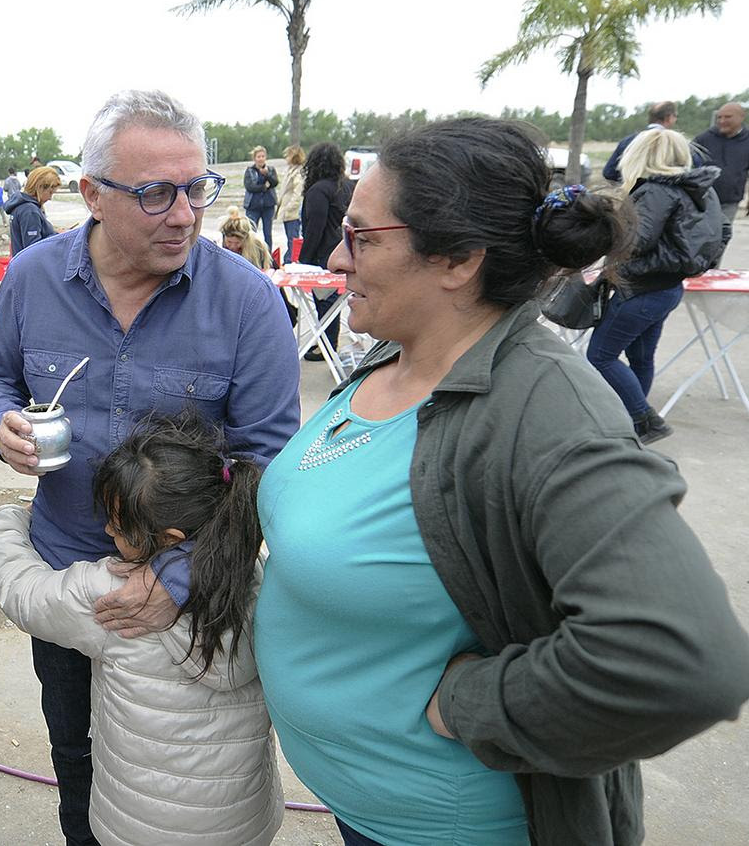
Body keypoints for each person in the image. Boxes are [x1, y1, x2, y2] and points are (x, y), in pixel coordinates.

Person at [252, 117, 749, 846]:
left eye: (363, 236)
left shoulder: (546, 405)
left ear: (456, 259)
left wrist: (472, 704)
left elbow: (684, 660)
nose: (334, 257)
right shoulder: (397, 356)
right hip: (365, 811)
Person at [0, 89, 300, 846]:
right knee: (74, 756)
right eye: (155, 193)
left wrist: (179, 578)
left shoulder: (248, 302)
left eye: (196, 187)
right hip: (64, 577)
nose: (185, 214)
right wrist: (1, 421)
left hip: (187, 592)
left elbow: (266, 464)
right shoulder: (31, 278)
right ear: (91, 195)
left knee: (180, 778)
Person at [0, 412, 283, 846]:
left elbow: (24, 594)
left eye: (118, 526)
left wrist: (8, 521)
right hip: (239, 824)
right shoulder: (255, 577)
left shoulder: (114, 595)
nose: (106, 530)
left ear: (170, 537)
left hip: (139, 828)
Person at [589, 127, 727, 443]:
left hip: (640, 289)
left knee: (600, 357)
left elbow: (633, 243)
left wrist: (604, 228)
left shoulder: (654, 191)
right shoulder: (701, 188)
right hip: (667, 289)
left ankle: (644, 420)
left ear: (640, 155)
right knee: (640, 358)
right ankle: (632, 422)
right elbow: (724, 230)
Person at [298, 142, 352, 361]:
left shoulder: (318, 191)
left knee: (325, 302)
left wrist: (304, 259)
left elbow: (314, 228)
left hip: (325, 254)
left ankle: (327, 345)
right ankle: (329, 343)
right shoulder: (346, 186)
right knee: (333, 304)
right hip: (346, 249)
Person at [693, 101, 749, 226]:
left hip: (730, 201)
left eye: (727, 117)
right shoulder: (703, 139)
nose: (722, 121)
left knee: (722, 236)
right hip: (703, 200)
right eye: (719, 117)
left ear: (741, 117)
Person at [602, 100, 678, 184]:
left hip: (630, 194)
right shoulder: (675, 143)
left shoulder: (627, 141)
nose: (676, 119)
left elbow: (608, 173)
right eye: (675, 116)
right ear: (669, 118)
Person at [5, 166, 60, 256]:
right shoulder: (29, 211)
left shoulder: (21, 206)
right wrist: (57, 238)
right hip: (30, 268)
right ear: (40, 188)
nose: (50, 198)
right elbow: (33, 248)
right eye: (50, 192)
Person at [242, 145, 279, 249]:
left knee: (268, 233)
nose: (261, 158)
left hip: (268, 205)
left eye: (263, 156)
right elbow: (249, 186)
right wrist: (263, 187)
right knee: (251, 233)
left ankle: (268, 256)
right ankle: (251, 254)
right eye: (259, 156)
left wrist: (267, 175)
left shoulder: (271, 170)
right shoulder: (250, 171)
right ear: (254, 158)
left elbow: (274, 183)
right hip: (253, 206)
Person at [218, 205, 272, 271]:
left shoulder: (257, 246)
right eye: (229, 242)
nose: (233, 246)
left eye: (237, 243)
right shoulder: (218, 246)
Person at [277, 145, 306, 260]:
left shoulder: (298, 172)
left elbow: (297, 193)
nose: (286, 158)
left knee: (292, 239)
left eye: (287, 155)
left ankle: (291, 260)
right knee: (289, 238)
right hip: (286, 210)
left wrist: (289, 207)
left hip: (292, 212)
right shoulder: (290, 170)